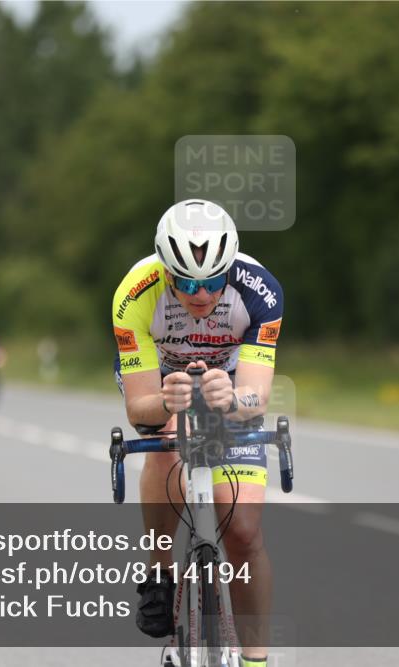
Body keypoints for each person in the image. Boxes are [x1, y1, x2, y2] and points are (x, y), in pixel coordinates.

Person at [112, 199, 283, 667]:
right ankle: (160, 571)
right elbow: (138, 409)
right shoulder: (135, 294)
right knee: (163, 436)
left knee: (245, 533)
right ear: (167, 273)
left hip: (228, 380)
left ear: (228, 270)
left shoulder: (260, 292)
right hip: (161, 380)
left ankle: (255, 662)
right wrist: (166, 400)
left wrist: (233, 399)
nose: (201, 294)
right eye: (186, 281)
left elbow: (257, 398)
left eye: (211, 281)